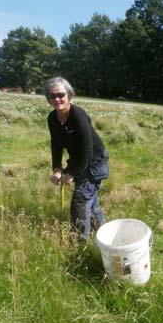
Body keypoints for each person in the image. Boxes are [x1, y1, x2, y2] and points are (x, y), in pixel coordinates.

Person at [45, 77, 109, 241]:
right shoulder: (52, 119)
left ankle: (78, 243)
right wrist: (57, 169)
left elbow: (87, 149)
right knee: (91, 203)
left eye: (61, 94)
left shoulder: (78, 115)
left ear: (69, 95)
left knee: (80, 202)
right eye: (52, 96)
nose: (57, 99)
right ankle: (103, 236)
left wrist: (73, 173)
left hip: (95, 160)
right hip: (78, 160)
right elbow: (56, 145)